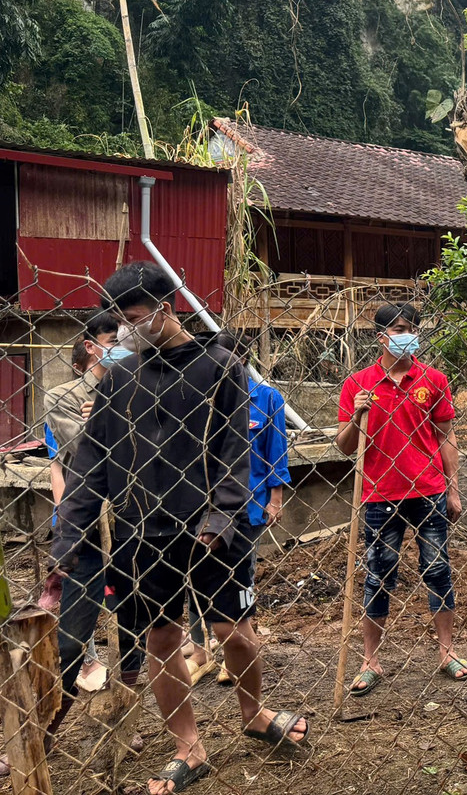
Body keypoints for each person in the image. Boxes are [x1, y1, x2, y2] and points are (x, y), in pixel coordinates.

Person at [52, 262, 307, 795]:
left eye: (134, 318)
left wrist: (221, 515)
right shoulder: (121, 378)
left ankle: (254, 713)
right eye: (118, 321)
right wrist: (68, 537)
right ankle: (188, 749)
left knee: (232, 632)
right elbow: (91, 461)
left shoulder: (221, 367)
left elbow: (239, 452)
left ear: (166, 311)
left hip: (215, 528)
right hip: (142, 533)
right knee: (161, 637)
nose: (123, 331)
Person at [336, 303, 467, 697]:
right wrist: (358, 416)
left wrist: (454, 488)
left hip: (428, 490)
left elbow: (446, 437)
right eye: (398, 328)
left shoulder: (433, 379)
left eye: (410, 328)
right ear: (381, 337)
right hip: (379, 494)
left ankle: (446, 652)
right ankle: (369, 660)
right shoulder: (358, 385)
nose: (406, 334)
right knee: (378, 576)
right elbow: (344, 447)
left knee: (438, 570)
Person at [186, 332, 290, 685]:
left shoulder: (266, 398)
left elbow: (276, 451)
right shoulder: (199, 397)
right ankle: (199, 651)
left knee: (240, 577)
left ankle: (238, 650)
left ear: (240, 361)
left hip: (249, 504)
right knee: (191, 578)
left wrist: (275, 500)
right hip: (201, 505)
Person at [43, 316, 131, 694]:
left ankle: (121, 716)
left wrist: (105, 416)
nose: (121, 348)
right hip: (88, 531)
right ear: (91, 345)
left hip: (136, 524)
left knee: (134, 631)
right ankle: (46, 726)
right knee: (72, 638)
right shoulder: (61, 395)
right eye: (113, 340)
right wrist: (121, 424)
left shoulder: (141, 388)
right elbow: (84, 454)